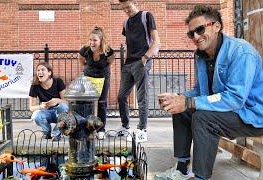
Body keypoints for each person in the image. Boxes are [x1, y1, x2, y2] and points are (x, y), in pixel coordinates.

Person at [155, 5, 263, 180]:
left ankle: (201, 177)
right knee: (182, 109)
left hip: (252, 115)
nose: (196, 37)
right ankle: (181, 169)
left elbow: (235, 98)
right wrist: (179, 98)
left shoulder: (241, 52)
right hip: (230, 111)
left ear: (217, 26)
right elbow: (201, 91)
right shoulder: (201, 56)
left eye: (200, 29)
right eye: (191, 34)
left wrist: (189, 102)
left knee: (203, 118)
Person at [116, 0, 161, 142]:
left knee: (142, 97)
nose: (127, 10)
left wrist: (146, 57)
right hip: (128, 64)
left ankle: (142, 130)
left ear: (135, 3)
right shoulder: (126, 23)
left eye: (128, 7)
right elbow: (130, 43)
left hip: (142, 61)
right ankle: (125, 126)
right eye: (124, 8)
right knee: (121, 96)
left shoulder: (146, 16)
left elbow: (156, 41)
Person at [78, 26, 115, 140]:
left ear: (101, 41)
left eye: (95, 40)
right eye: (90, 40)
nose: (92, 42)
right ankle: (89, 128)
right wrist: (87, 69)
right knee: (88, 103)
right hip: (89, 78)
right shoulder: (85, 50)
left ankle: (101, 129)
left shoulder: (108, 51)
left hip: (103, 78)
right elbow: (81, 60)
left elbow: (110, 62)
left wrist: (103, 71)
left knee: (101, 103)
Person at [29, 62, 69, 140]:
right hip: (46, 112)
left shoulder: (58, 81)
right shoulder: (35, 85)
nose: (40, 72)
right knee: (36, 115)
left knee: (63, 106)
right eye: (38, 70)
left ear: (49, 72)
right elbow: (31, 108)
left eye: (42, 70)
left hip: (59, 113)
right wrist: (41, 106)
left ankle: (56, 133)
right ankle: (47, 132)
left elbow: (67, 102)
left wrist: (57, 100)